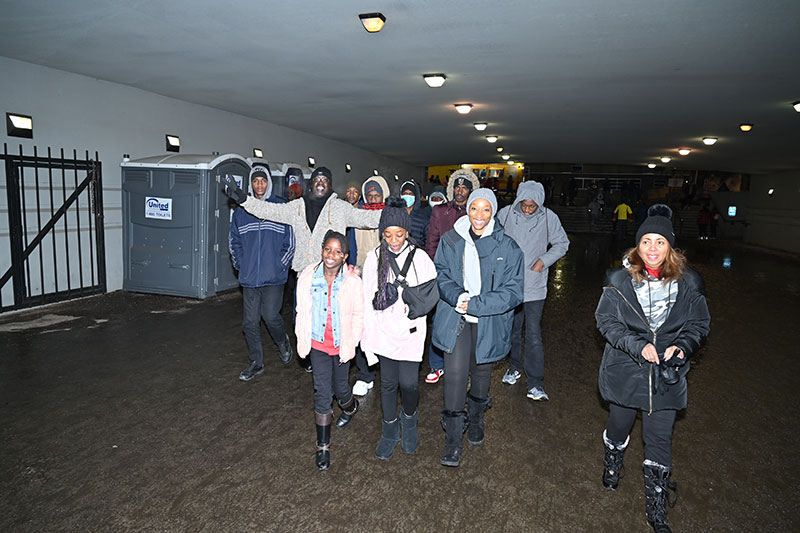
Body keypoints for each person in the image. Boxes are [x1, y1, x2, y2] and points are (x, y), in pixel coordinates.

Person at [595, 205, 710, 532]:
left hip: (666, 375)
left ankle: (657, 506)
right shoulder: (618, 280)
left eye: (660, 242)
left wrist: (682, 347)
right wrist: (636, 345)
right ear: (638, 245)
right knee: (619, 426)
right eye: (646, 241)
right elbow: (606, 321)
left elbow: (699, 324)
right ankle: (613, 459)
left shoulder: (689, 283)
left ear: (670, 246)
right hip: (626, 369)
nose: (653, 248)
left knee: (659, 438)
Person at [223, 167, 382, 371]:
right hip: (305, 277)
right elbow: (268, 210)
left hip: (331, 278)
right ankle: (311, 356)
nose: (320, 182)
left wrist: (393, 213)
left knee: (331, 320)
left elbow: (365, 218)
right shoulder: (296, 207)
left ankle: (334, 359)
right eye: (317, 178)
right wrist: (243, 199)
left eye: (325, 179)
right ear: (311, 183)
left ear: (330, 184)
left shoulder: (341, 208)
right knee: (304, 320)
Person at [432, 188, 524, 467]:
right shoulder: (451, 239)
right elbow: (441, 274)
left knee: (482, 373)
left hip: (489, 321)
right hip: (456, 317)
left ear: (493, 211)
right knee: (455, 376)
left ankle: (476, 418)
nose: (479, 215)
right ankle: (452, 440)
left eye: (486, 209)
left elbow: (513, 292)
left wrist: (476, 304)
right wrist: (458, 296)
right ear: (468, 209)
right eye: (474, 208)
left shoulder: (508, 247)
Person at [361, 197, 437, 459]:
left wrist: (410, 304)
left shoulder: (420, 258)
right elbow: (366, 299)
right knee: (388, 384)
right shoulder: (374, 258)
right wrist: (367, 339)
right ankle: (389, 431)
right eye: (388, 234)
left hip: (411, 333)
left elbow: (430, 295)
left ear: (407, 232)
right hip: (383, 332)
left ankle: (410, 421)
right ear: (382, 233)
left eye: (399, 234)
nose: (394, 240)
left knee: (409, 384)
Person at [296, 231, 364, 470]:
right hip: (318, 344)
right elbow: (301, 310)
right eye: (328, 249)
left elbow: (358, 314)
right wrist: (302, 337)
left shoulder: (352, 281)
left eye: (337, 251)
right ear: (322, 249)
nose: (331, 255)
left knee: (341, 388)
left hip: (341, 344)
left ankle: (350, 406)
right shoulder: (308, 276)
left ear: (345, 256)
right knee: (323, 392)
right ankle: (322, 446)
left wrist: (352, 341)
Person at [497, 181, 569, 401]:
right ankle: (514, 367)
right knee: (512, 331)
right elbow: (494, 240)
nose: (528, 209)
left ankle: (535, 383)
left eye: (532, 206)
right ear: (518, 200)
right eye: (524, 205)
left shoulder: (549, 218)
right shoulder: (505, 215)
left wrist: (543, 261)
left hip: (534, 286)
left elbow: (562, 243)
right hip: (510, 285)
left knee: (533, 334)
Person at [230, 165, 296, 381]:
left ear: (269, 182)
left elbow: (290, 241)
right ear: (251, 184)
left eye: (263, 180)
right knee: (249, 322)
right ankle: (256, 362)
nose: (259, 185)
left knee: (270, 316)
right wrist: (241, 265)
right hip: (250, 277)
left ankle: (282, 341)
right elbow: (234, 241)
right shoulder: (241, 211)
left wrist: (280, 265)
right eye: (256, 181)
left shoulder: (281, 207)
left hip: (274, 276)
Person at [424, 169, 480, 384]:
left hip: (469, 274)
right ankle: (437, 364)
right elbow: (432, 241)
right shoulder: (440, 211)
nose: (460, 191)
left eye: (464, 188)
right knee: (440, 318)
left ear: (470, 191)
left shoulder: (475, 212)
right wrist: (433, 270)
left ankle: (464, 363)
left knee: (467, 318)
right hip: (444, 273)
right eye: (457, 187)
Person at [349, 175, 391, 396]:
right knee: (361, 326)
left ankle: (387, 371)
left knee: (384, 327)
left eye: (377, 195)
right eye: (370, 195)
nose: (373, 199)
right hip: (361, 278)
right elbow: (350, 248)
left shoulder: (390, 216)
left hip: (385, 278)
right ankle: (365, 375)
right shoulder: (357, 215)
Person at [399, 180, 430, 249]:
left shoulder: (424, 217)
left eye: (411, 194)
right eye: (405, 193)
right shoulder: (395, 214)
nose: (407, 196)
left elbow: (428, 241)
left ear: (416, 196)